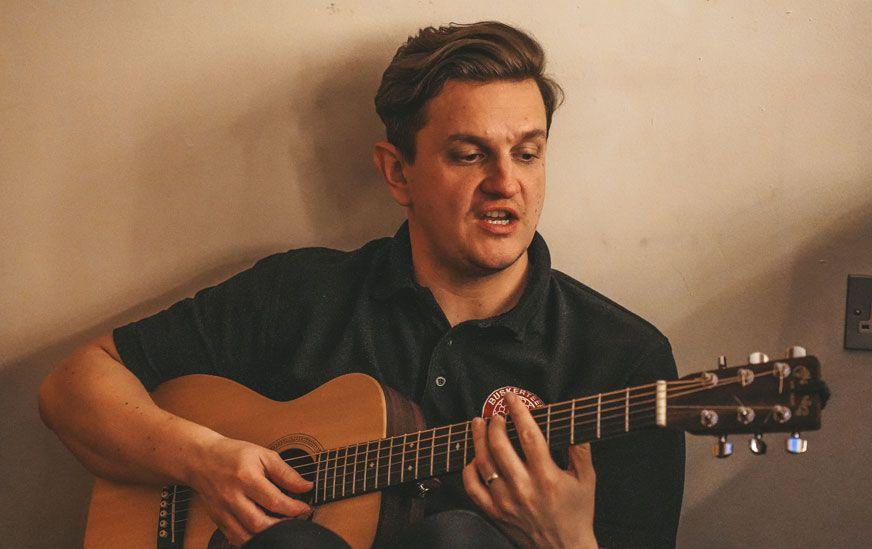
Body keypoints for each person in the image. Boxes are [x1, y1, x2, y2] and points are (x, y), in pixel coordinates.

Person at [39, 21, 684, 548]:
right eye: (468, 154)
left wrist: (565, 541)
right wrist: (203, 459)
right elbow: (75, 384)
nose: (505, 183)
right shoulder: (301, 295)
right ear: (397, 173)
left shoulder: (622, 359)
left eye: (527, 152)